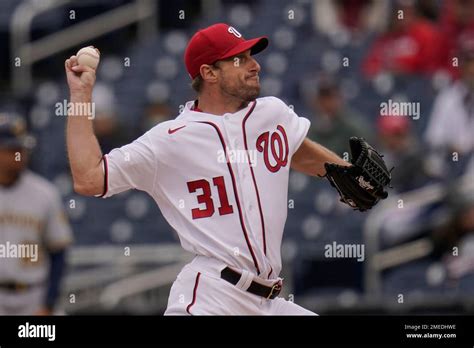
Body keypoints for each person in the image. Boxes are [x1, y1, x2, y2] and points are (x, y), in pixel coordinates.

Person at [64, 23, 376, 315]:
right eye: (239, 59)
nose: (254, 65)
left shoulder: (272, 113)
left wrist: (344, 170)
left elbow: (295, 149)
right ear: (209, 72)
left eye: (251, 56)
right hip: (211, 296)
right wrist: (80, 97)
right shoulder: (170, 140)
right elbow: (89, 178)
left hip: (270, 301)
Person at [0, 113, 73, 315]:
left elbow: (59, 252)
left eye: (22, 149)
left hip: (33, 296)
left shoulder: (44, 193)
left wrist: (48, 305)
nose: (20, 155)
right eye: (12, 150)